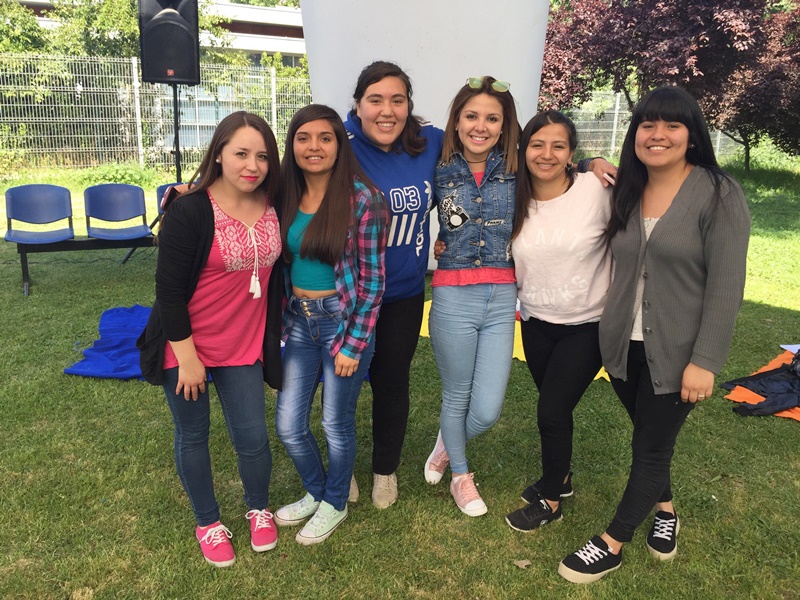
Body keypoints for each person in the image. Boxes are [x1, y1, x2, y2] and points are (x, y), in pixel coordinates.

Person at [558, 86, 750, 583]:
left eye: (672, 125)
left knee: (651, 448)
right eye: (647, 124)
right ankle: (664, 510)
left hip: (679, 352)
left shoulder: (718, 193)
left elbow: (727, 288)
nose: (657, 134)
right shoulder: (626, 187)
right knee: (648, 435)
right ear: (635, 133)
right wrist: (589, 160)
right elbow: (566, 168)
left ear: (692, 135)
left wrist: (705, 360)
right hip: (621, 346)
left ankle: (612, 542)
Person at [137, 111, 284, 567]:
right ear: (218, 153)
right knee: (193, 434)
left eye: (261, 155)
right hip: (186, 347)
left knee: (253, 437)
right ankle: (208, 521)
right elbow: (170, 291)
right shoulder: (190, 209)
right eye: (240, 153)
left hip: (243, 346)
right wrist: (187, 358)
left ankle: (258, 508)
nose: (251, 165)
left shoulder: (275, 200)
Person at [273, 104, 388, 545]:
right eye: (304, 138)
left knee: (335, 424)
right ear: (293, 145)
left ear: (340, 146)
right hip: (299, 324)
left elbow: (375, 280)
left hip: (343, 322)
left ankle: (335, 502)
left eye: (325, 137)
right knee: (288, 425)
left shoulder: (363, 199)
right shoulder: (283, 192)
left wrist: (354, 345)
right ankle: (317, 491)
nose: (314, 146)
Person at [504, 111, 614, 532]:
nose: (546, 154)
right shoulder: (512, 194)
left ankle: (550, 501)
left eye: (558, 146)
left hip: (589, 323)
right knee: (557, 407)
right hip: (534, 320)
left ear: (572, 153)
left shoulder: (596, 189)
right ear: (524, 149)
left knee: (550, 411)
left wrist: (593, 165)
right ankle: (561, 478)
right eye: (537, 144)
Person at [344, 61, 445, 509]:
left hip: (403, 294)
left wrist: (586, 162)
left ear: (409, 106)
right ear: (358, 105)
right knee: (342, 385)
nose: (387, 110)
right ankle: (341, 469)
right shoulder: (339, 144)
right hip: (346, 295)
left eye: (397, 100)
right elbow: (280, 180)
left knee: (391, 382)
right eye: (376, 100)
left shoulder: (431, 143)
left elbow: (500, 156)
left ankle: (385, 470)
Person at [423, 76, 521, 516]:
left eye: (492, 118)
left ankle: (448, 441)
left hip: (502, 297)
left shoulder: (517, 168)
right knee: (457, 394)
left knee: (487, 410)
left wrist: (594, 162)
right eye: (472, 116)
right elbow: (393, 202)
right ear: (457, 121)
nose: (481, 126)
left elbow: (564, 172)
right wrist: (431, 246)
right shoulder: (438, 167)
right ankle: (461, 475)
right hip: (453, 296)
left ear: (504, 126)